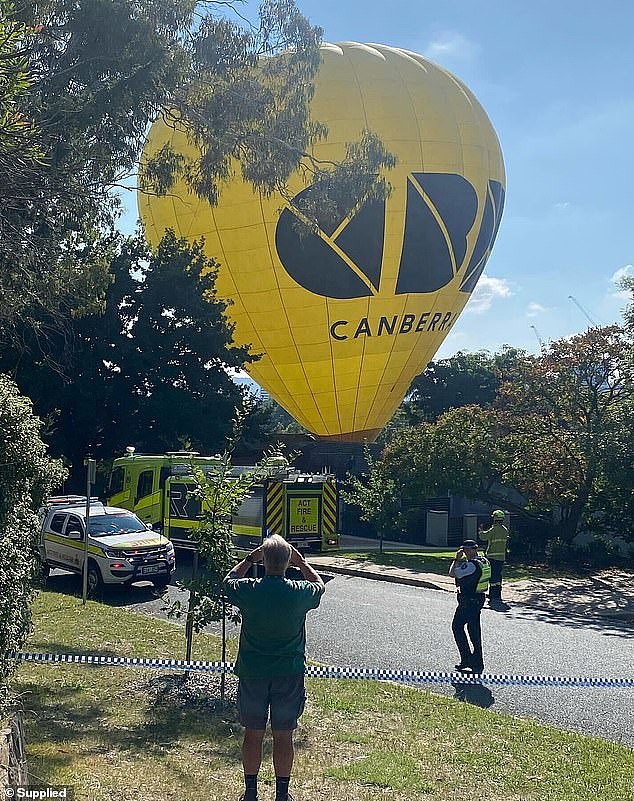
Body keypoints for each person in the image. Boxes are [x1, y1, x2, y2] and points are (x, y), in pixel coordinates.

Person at [223, 535, 326, 801]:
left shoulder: (250, 589)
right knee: (284, 735)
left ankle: (250, 792)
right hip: (288, 674)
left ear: (263, 560)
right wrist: (301, 562)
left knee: (253, 733)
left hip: (252, 672)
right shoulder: (298, 593)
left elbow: (227, 582)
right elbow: (319, 585)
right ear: (287, 562)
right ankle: (282, 793)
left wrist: (248, 559)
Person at [448, 539, 491, 673]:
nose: (465, 552)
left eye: (467, 550)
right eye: (464, 550)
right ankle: (477, 661)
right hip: (479, 598)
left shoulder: (471, 565)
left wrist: (456, 559)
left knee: (457, 626)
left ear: (473, 549)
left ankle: (467, 658)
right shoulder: (484, 561)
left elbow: (452, 573)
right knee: (474, 630)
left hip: (469, 600)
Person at [479, 509, 509, 606]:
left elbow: (484, 537)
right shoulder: (505, 530)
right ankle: (498, 594)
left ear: (495, 519)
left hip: (492, 556)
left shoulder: (494, 529)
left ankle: (492, 595)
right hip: (501, 557)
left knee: (492, 577)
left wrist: (480, 531)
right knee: (498, 576)